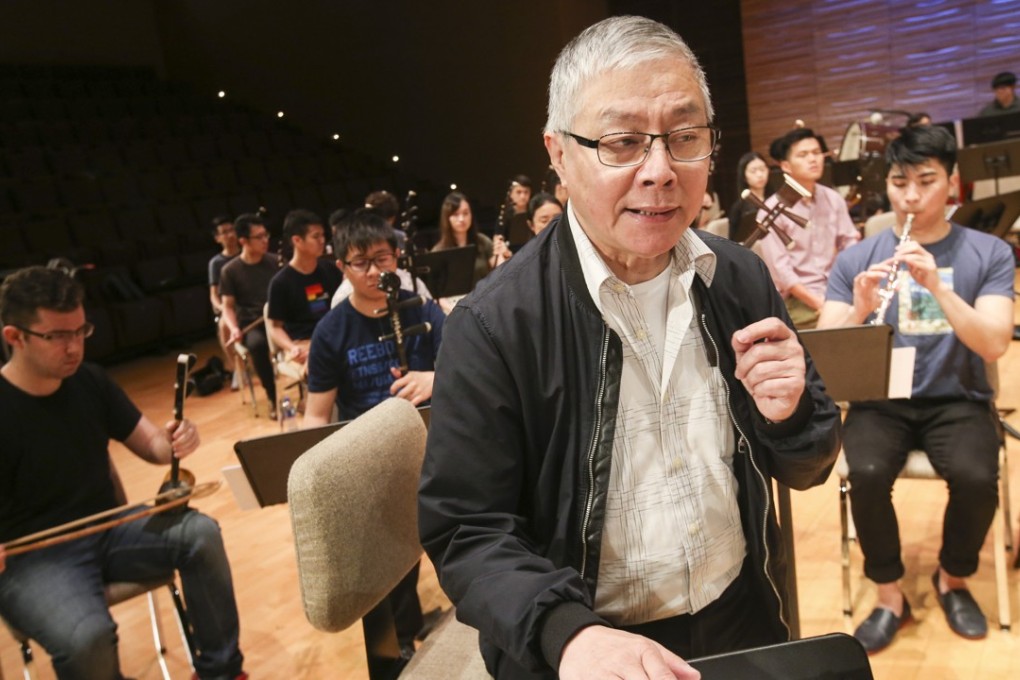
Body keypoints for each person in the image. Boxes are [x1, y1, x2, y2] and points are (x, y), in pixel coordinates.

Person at [418, 15, 841, 680]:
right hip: (590, 647)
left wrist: (789, 417)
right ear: (559, 155)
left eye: (685, 138)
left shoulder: (738, 277)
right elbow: (467, 532)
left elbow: (810, 463)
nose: (660, 171)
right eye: (622, 142)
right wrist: (569, 634)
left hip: (742, 613)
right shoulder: (494, 324)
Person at [817, 124, 1015, 653]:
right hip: (881, 402)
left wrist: (937, 288)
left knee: (977, 476)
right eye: (900, 182)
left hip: (958, 397)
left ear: (951, 182)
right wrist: (859, 308)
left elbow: (995, 343)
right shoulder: (859, 256)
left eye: (926, 181)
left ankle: (953, 580)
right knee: (866, 471)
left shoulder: (989, 253)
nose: (910, 195)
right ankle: (888, 594)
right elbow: (827, 351)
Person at [0, 266, 247, 680]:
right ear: (15, 337)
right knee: (86, 637)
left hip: (112, 532)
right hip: (33, 560)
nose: (74, 346)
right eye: (58, 336)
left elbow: (150, 443)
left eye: (81, 331)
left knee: (199, 534)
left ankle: (221, 672)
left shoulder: (89, 381)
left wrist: (174, 440)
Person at [304, 210, 445, 657]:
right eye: (359, 262)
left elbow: (470, 373)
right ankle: (400, 644)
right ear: (342, 268)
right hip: (372, 462)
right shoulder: (331, 331)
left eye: (382, 258)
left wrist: (434, 378)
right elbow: (316, 414)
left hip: (436, 445)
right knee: (389, 565)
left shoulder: (422, 309)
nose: (374, 271)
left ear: (398, 257)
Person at [757, 127, 860, 329]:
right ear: (786, 166)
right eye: (803, 155)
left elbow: (850, 243)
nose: (813, 159)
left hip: (836, 288)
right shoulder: (771, 210)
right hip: (798, 298)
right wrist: (820, 303)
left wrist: (846, 283)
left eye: (816, 152)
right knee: (837, 331)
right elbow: (782, 272)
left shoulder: (833, 198)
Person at [219, 213, 280, 418]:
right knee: (257, 345)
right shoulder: (230, 271)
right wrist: (234, 328)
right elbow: (227, 307)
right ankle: (272, 396)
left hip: (278, 319)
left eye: (266, 235)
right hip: (253, 325)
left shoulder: (275, 262)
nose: (266, 240)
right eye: (259, 237)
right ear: (243, 241)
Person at [266, 209, 341, 369]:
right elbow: (275, 327)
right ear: (297, 240)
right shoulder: (280, 282)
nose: (322, 241)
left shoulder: (331, 269)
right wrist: (292, 348)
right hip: (304, 344)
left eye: (322, 235)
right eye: (316, 236)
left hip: (335, 336)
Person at [431, 191, 509, 312]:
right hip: (454, 309)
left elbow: (501, 270)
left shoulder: (482, 241)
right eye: (456, 214)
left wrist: (503, 253)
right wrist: (457, 311)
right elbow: (438, 295)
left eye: (466, 213)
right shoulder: (438, 250)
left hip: (485, 304)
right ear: (447, 218)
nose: (462, 219)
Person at [207, 216, 241, 388]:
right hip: (230, 307)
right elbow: (213, 294)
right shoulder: (216, 263)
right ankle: (237, 370)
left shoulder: (246, 253)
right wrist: (222, 308)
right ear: (217, 238)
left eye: (231, 230)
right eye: (224, 232)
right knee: (223, 326)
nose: (229, 235)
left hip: (249, 304)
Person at [727, 151, 770, 239]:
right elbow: (735, 240)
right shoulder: (738, 208)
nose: (760, 175)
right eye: (753, 171)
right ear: (744, 176)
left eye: (762, 169)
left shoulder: (774, 199)